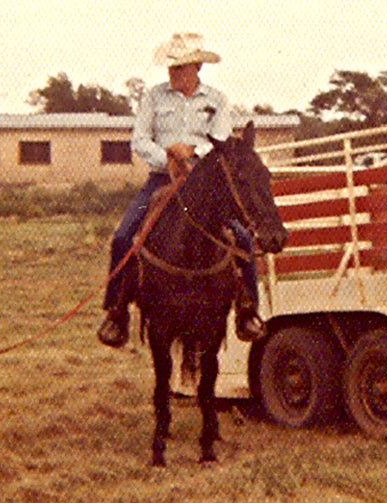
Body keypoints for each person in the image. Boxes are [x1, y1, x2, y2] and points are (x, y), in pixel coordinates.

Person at [97, 32, 265, 348]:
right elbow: (139, 140)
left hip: (204, 186)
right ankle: (116, 313)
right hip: (161, 180)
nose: (173, 74)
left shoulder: (216, 100)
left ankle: (247, 310)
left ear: (197, 67)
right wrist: (167, 156)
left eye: (180, 68)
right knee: (123, 236)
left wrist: (191, 153)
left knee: (241, 237)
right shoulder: (154, 97)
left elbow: (221, 141)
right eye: (171, 68)